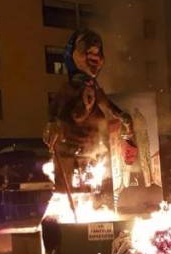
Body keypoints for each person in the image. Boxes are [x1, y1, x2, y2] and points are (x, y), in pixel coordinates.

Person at [42, 29, 134, 195]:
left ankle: (93, 203)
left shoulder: (93, 87)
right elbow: (57, 106)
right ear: (73, 55)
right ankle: (64, 203)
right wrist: (53, 122)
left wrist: (122, 117)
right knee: (66, 186)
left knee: (92, 183)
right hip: (68, 145)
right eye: (89, 52)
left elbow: (107, 105)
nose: (95, 56)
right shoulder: (71, 87)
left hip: (91, 146)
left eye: (98, 53)